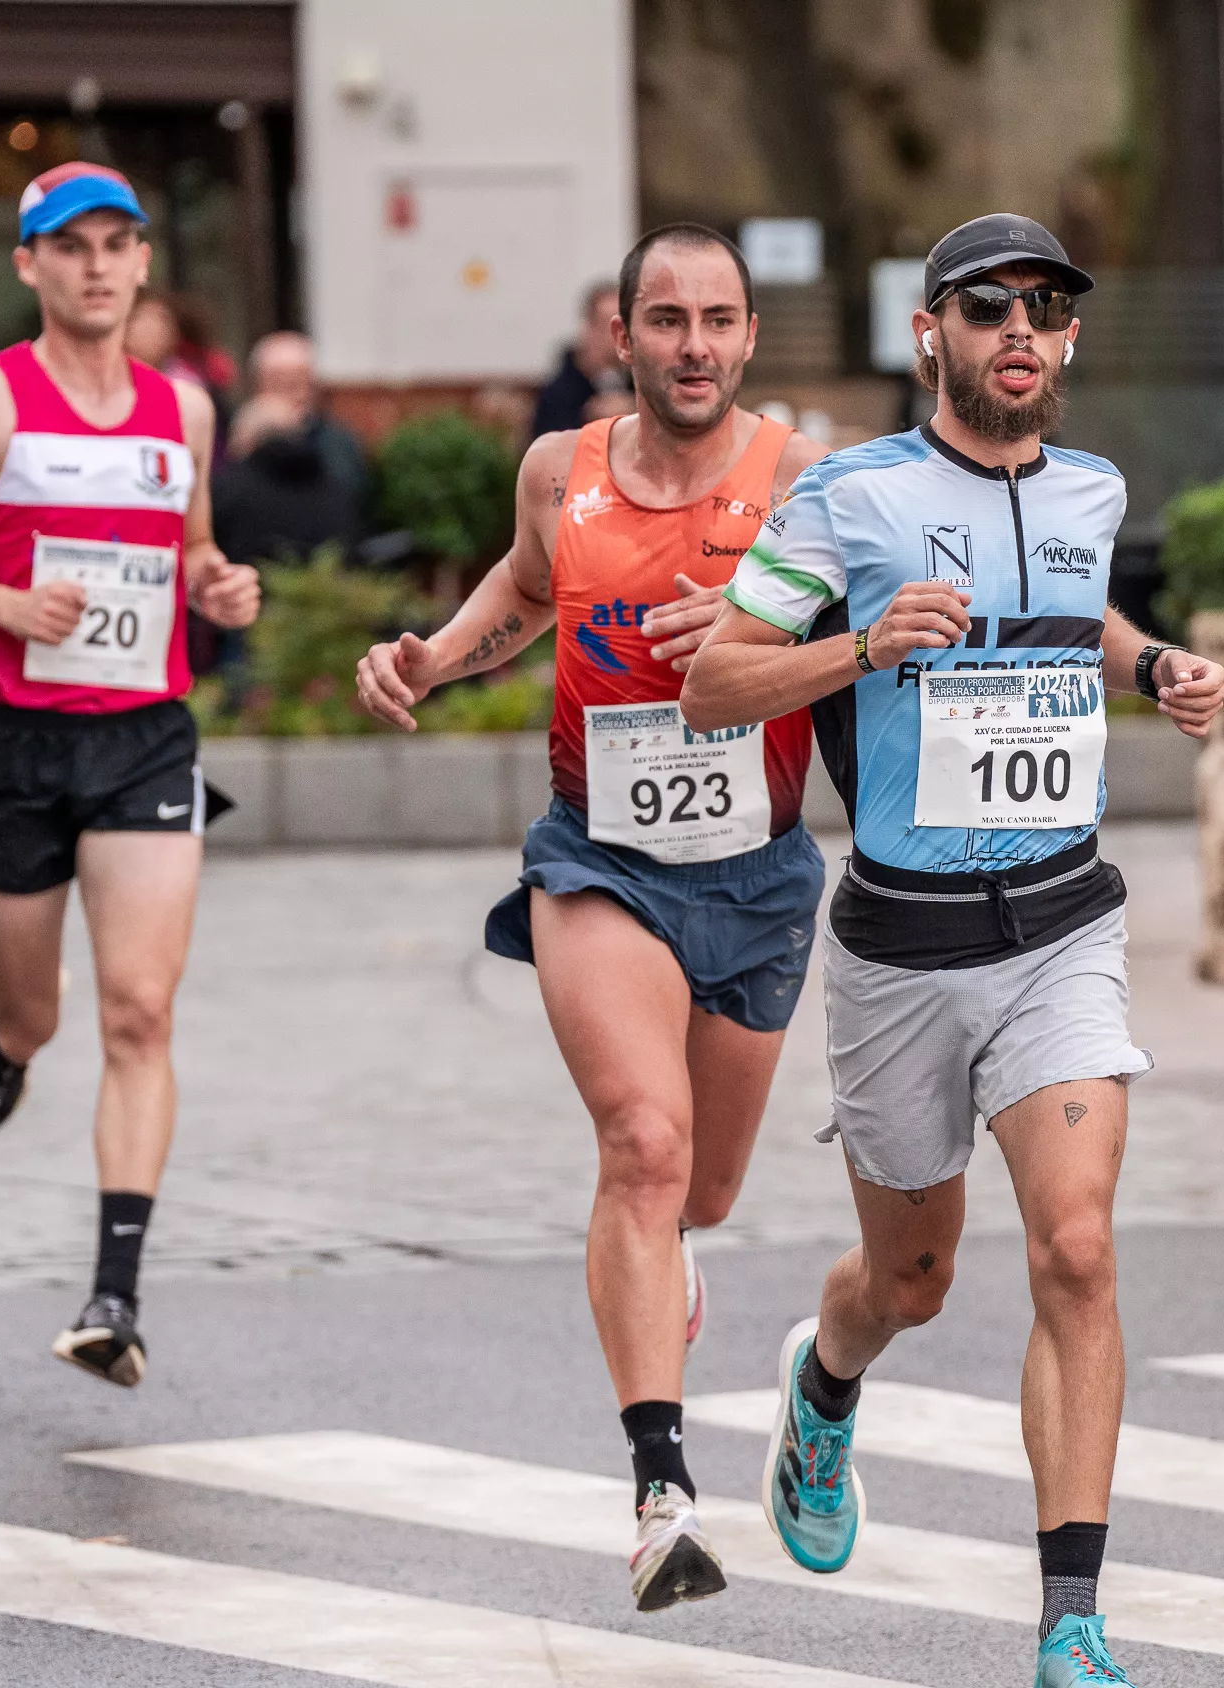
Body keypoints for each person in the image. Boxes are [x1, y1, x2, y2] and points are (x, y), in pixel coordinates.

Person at [682, 212, 1224, 1688]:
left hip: (1062, 922)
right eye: (987, 306)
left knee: (1079, 1248)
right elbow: (713, 684)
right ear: (931, 331)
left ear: (1068, 340)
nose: (1019, 330)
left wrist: (1153, 661)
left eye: (1045, 309)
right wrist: (863, 647)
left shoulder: (1094, 487)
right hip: (902, 953)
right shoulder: (848, 496)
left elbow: (1074, 606)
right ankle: (827, 1375)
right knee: (910, 1277)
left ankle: (1072, 1622)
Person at [350, 224, 829, 1614]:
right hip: (599, 856)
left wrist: (753, 645)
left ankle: (669, 1264)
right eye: (666, 319)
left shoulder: (804, 478)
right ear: (621, 336)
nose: (694, 345)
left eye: (719, 320)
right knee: (643, 1143)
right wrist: (434, 658)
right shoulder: (560, 469)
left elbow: (866, 650)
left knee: (709, 1192)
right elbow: (528, 583)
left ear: (749, 337)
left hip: (756, 870)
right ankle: (659, 1491)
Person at [0, 162, 262, 1385]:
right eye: (67, 246)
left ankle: (113, 1297)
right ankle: (12, 1040)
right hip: (11, 743)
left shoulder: (182, 409)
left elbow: (190, 550)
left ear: (142, 264)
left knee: (140, 1009)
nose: (95, 266)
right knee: (38, 1004)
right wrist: (4, 603)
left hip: (144, 732)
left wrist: (217, 584)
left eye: (116, 244)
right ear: (28, 265)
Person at [213, 331, 370, 565]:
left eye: (299, 376)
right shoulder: (231, 430)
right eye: (278, 377)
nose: (290, 385)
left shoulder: (338, 441)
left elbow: (356, 502)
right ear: (257, 382)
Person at [528, 280, 635, 439]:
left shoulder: (640, 384)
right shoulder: (558, 395)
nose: (621, 335)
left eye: (625, 325)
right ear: (588, 327)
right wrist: (589, 421)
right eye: (610, 325)